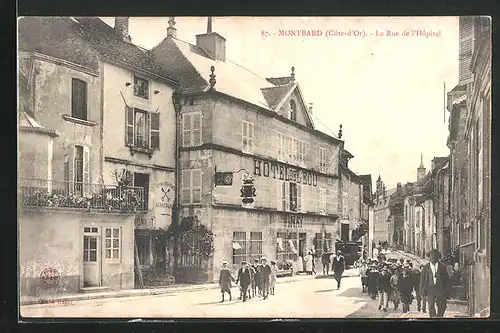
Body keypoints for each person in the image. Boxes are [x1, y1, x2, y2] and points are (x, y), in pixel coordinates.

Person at [419, 249, 451, 318]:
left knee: (442, 306)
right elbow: (422, 280)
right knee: (431, 306)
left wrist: (447, 290)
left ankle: (439, 317)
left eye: (435, 257)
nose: (433, 258)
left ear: (438, 258)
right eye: (432, 257)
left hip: (440, 289)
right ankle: (433, 319)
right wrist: (422, 291)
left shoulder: (442, 267)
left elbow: (447, 280)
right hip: (430, 289)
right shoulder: (425, 267)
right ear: (429, 257)